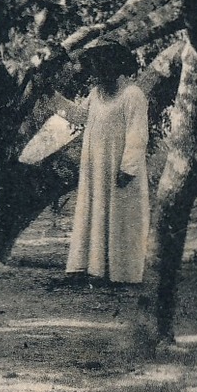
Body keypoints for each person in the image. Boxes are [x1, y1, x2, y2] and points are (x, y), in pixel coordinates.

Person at [54, 41, 150, 286]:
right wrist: (51, 98)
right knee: (93, 213)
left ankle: (122, 274)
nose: (94, 74)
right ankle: (91, 269)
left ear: (112, 66)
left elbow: (137, 135)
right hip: (95, 166)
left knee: (120, 217)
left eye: (98, 68)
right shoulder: (96, 94)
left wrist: (128, 168)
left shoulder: (132, 95)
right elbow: (78, 116)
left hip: (118, 167)